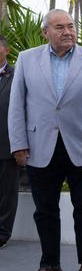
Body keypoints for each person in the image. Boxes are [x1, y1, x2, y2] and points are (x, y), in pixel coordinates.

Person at [8, 9, 82, 271]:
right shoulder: (27, 60)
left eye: (71, 26)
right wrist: (18, 144)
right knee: (45, 209)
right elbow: (17, 105)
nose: (67, 32)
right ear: (45, 32)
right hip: (40, 145)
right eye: (60, 27)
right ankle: (49, 263)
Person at [0, 36, 21, 250]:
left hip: (7, 144)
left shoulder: (16, 75)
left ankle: (3, 233)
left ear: (7, 50)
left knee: (6, 193)